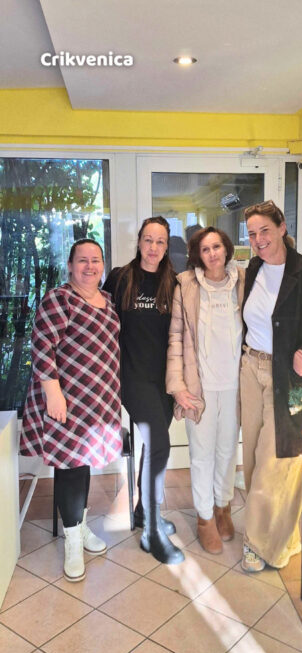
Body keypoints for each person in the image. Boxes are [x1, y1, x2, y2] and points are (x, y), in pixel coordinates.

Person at [20, 240, 120, 581]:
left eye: (95, 260)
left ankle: (79, 525)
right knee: (70, 466)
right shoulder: (59, 299)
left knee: (84, 463)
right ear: (70, 265)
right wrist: (53, 394)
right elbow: (42, 346)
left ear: (103, 265)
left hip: (99, 401)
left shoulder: (107, 301)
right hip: (67, 400)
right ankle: (73, 540)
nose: (89, 266)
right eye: (82, 260)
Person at [240, 200, 302, 572]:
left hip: (287, 377)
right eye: (252, 234)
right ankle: (281, 536)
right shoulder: (254, 268)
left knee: (277, 461)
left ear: (282, 228)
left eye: (264, 230)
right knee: (252, 458)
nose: (259, 239)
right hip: (251, 368)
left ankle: (259, 545)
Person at [104, 217, 183, 565]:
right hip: (132, 377)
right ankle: (151, 527)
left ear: (167, 247)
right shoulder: (120, 278)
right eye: (148, 240)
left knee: (154, 445)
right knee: (160, 444)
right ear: (138, 242)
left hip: (163, 380)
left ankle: (141, 512)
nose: (153, 247)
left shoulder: (174, 283)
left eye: (160, 242)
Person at [167, 227, 244, 554]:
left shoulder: (242, 280)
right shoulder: (185, 285)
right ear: (197, 255)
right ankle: (204, 517)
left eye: (217, 247)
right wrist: (177, 386)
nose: (212, 254)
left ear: (226, 249)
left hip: (235, 384)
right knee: (201, 455)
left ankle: (222, 505)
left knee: (227, 451)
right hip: (200, 386)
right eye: (205, 249)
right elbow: (175, 338)